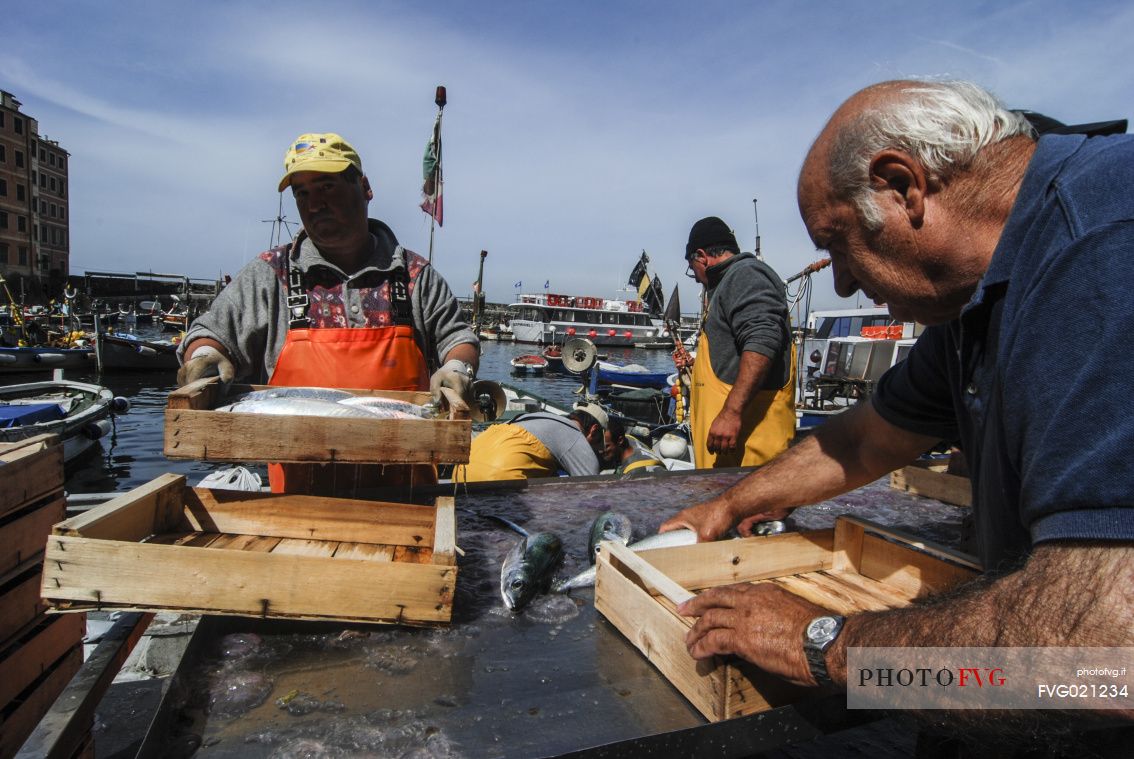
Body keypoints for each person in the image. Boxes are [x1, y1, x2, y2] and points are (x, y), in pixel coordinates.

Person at [661, 80, 1134, 751]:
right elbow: (867, 437)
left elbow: (1102, 655)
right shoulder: (977, 299)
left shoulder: (1101, 243)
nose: (846, 284)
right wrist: (731, 503)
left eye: (841, 245)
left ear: (903, 187)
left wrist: (824, 643)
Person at [177, 133, 478, 494]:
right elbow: (213, 334)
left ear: (364, 187)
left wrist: (457, 367)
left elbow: (457, 338)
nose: (314, 203)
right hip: (297, 504)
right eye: (302, 193)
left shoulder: (414, 276)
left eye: (327, 186)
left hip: (409, 500)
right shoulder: (271, 275)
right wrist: (204, 355)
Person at [678, 216, 795, 468]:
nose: (696, 278)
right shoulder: (727, 284)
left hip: (750, 461)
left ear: (701, 256)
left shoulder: (744, 275)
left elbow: (762, 338)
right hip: (727, 463)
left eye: (692, 268)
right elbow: (731, 359)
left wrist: (731, 412)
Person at [455, 402, 608, 481]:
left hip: (461, 473)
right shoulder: (575, 436)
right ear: (593, 430)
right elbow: (592, 491)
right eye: (594, 447)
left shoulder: (538, 418)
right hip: (496, 479)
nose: (592, 451)